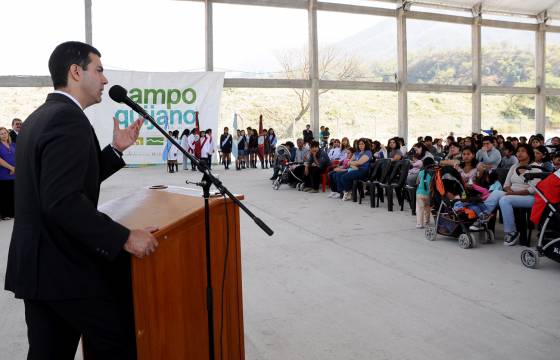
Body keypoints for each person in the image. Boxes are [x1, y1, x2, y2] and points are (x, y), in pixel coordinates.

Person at [4, 41, 159, 360]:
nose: (104, 80)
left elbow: (60, 184)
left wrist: (115, 150)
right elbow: (62, 200)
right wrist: (125, 237)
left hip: (37, 267)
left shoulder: (40, 117)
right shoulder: (68, 119)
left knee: (49, 353)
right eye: (99, 70)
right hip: (64, 268)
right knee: (118, 340)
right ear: (76, 71)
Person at [0, 126, 16, 220]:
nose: (4, 135)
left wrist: (15, 168)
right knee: (5, 194)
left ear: (8, 133)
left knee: (13, 193)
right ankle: (5, 214)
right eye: (1, 133)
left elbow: (18, 156)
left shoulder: (13, 144)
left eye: (5, 132)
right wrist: (11, 168)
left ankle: (13, 212)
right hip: (3, 173)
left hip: (14, 173)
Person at [415, 157, 435, 229]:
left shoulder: (421, 172)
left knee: (420, 208)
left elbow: (417, 182)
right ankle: (427, 221)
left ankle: (419, 224)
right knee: (427, 208)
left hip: (419, 193)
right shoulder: (433, 173)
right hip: (428, 194)